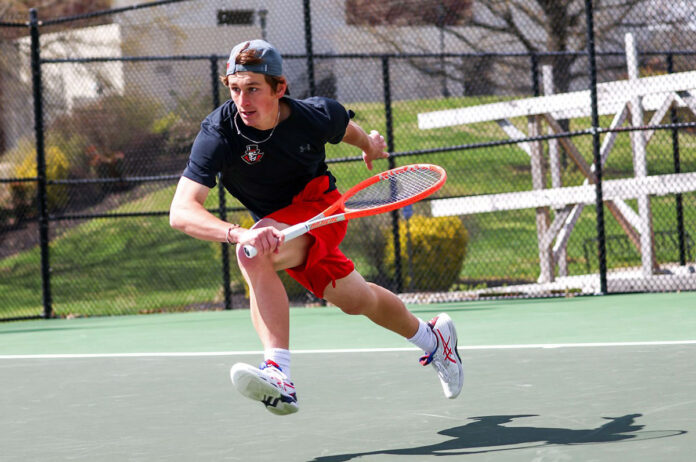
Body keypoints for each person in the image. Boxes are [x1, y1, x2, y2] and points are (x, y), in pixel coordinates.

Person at [169, 39, 463, 415]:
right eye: (236, 89)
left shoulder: (315, 115)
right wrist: (238, 232)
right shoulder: (218, 133)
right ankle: (434, 339)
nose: (243, 101)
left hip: (321, 208)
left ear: (279, 88)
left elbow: (349, 130)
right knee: (359, 301)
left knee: (254, 255)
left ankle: (278, 373)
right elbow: (181, 211)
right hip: (277, 227)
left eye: (254, 89)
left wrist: (370, 145)